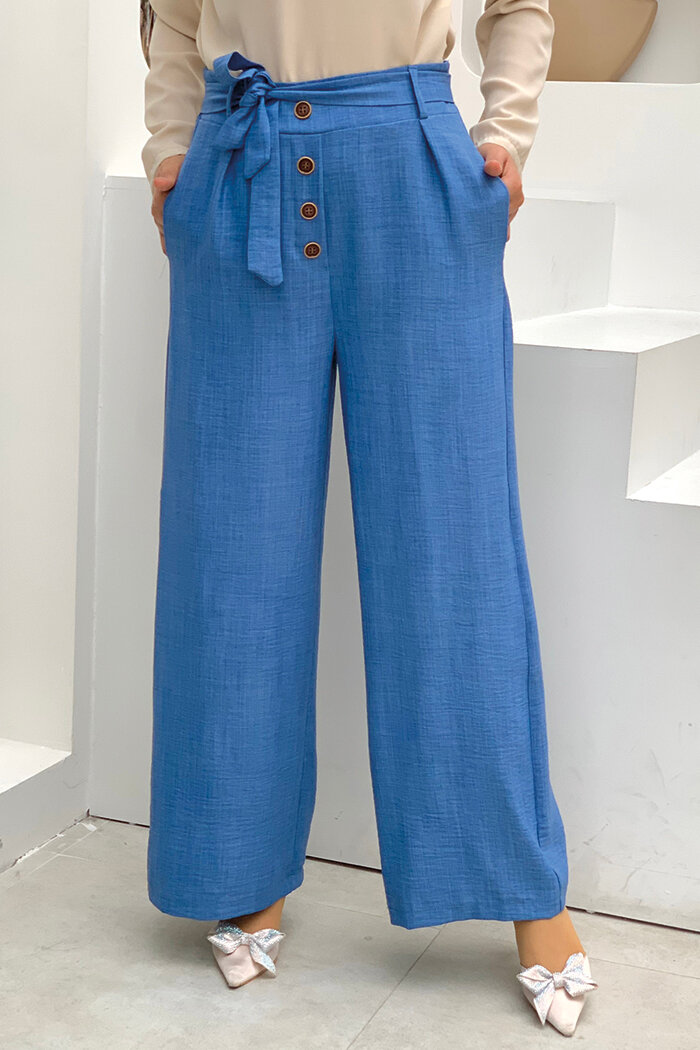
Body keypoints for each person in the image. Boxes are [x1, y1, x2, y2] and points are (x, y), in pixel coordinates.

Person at [141, 0, 598, 1036]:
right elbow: (173, 22)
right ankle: (242, 868)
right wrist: (171, 149)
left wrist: (505, 133)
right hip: (239, 160)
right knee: (232, 560)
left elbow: (517, 7)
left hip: (414, 166)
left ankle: (522, 888)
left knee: (454, 553)